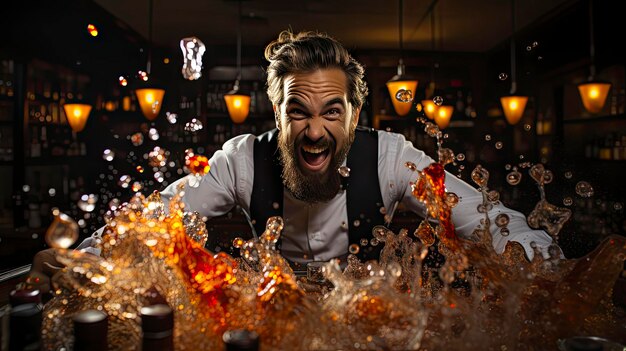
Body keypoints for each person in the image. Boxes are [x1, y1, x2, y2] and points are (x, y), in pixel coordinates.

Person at [30, 30, 554, 288]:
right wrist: (85, 259)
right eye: (297, 112)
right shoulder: (241, 159)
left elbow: (495, 223)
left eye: (332, 112)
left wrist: (540, 258)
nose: (315, 132)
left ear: (353, 115)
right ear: (277, 113)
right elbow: (150, 221)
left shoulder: (393, 159)